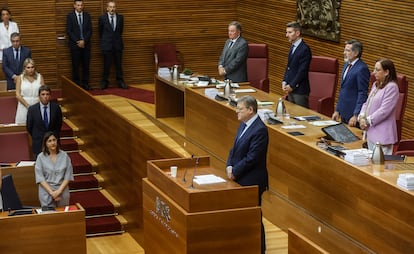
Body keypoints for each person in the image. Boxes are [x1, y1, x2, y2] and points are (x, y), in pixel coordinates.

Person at [226, 95, 268, 254]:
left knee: (254, 215)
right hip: (239, 176)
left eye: (240, 109)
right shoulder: (244, 124)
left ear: (250, 110)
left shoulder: (260, 130)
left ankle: (260, 249)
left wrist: (235, 171)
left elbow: (252, 158)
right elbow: (234, 148)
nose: (237, 111)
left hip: (252, 180)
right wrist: (230, 165)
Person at [358, 58, 399, 155]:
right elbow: (367, 103)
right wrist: (362, 116)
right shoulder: (376, 85)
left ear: (386, 72)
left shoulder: (392, 87)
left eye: (377, 70)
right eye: (374, 69)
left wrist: (367, 120)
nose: (374, 72)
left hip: (382, 135)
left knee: (380, 167)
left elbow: (384, 110)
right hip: (371, 132)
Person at [332, 39, 370, 126]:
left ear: (356, 53)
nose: (344, 52)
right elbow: (343, 89)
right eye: (345, 50)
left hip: (352, 115)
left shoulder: (362, 69)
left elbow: (362, 93)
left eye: (347, 50)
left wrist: (356, 115)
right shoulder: (346, 65)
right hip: (343, 112)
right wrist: (337, 110)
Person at [35, 131, 73, 207]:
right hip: (46, 191)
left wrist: (59, 191)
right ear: (45, 143)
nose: (53, 143)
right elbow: (40, 178)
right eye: (49, 141)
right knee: (49, 217)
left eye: (54, 140)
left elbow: (68, 176)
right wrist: (52, 193)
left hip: (62, 190)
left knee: (63, 216)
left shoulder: (64, 156)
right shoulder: (40, 157)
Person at [27, 85, 62, 157]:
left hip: (53, 144)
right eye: (43, 94)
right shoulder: (32, 109)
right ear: (39, 96)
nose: (45, 96)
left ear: (50, 96)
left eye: (47, 94)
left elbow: (59, 125)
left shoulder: (56, 108)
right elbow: (29, 127)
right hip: (38, 144)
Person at [282, 21, 312, 108]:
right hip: (291, 89)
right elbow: (289, 67)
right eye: (286, 32)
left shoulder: (304, 49)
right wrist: (284, 81)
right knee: (291, 114)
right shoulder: (293, 47)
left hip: (300, 90)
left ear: (297, 33)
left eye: (290, 32)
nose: (287, 35)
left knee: (300, 115)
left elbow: (302, 71)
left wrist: (292, 85)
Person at [98, 1, 127, 89]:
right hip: (107, 45)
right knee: (106, 65)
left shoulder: (120, 18)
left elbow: (120, 31)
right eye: (110, 7)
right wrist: (106, 40)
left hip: (117, 44)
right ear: (107, 8)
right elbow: (100, 32)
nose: (112, 9)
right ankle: (104, 82)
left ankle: (120, 81)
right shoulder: (102, 18)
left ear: (115, 8)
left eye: (114, 7)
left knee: (119, 65)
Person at [66, 0, 92, 90]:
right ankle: (76, 85)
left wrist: (84, 40)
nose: (80, 7)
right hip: (75, 45)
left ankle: (86, 83)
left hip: (86, 45)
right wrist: (78, 41)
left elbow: (90, 30)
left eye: (81, 5)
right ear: (74, 6)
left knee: (86, 65)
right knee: (75, 66)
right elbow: (69, 31)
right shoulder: (70, 16)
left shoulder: (87, 16)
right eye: (78, 5)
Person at [15, 58, 44, 124]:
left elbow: (43, 92)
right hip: (24, 106)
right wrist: (28, 106)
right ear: (24, 68)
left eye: (32, 67)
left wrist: (36, 106)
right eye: (28, 67)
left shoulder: (40, 77)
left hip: (37, 105)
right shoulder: (20, 78)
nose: (30, 69)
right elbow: (18, 95)